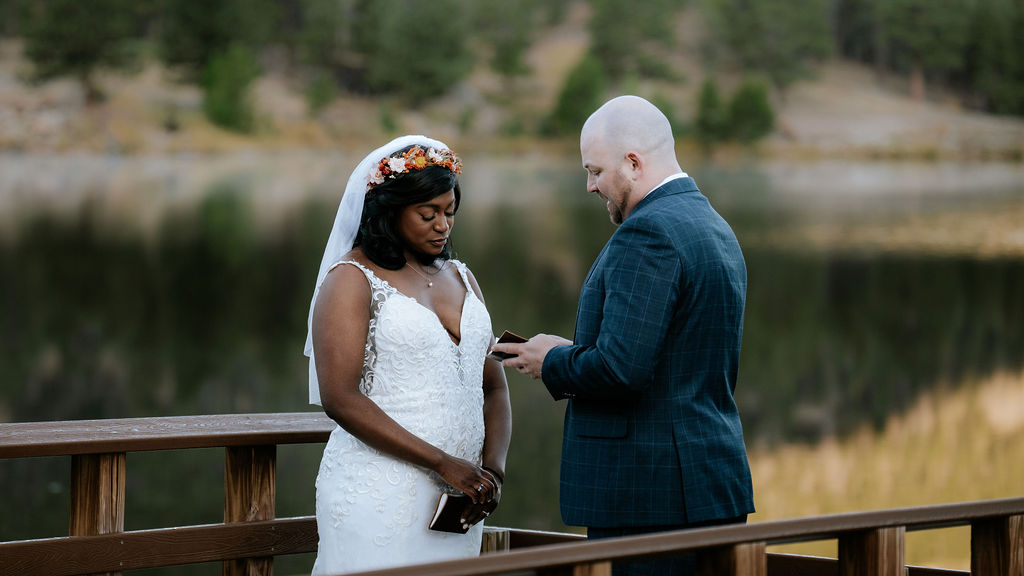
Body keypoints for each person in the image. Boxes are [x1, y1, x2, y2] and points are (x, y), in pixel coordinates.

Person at [490, 96, 754, 575]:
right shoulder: (710, 224)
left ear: (633, 163)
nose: (590, 186)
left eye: (594, 171)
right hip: (706, 485)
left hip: (649, 497)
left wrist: (550, 361)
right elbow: (664, 359)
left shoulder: (648, 233)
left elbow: (621, 370)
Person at [304, 135, 512, 574]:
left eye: (450, 212)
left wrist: (492, 470)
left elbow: (492, 387)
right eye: (428, 214)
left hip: (458, 501)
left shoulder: (463, 277)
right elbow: (339, 398)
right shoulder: (351, 281)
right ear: (390, 210)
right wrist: (442, 462)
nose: (443, 226)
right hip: (379, 492)